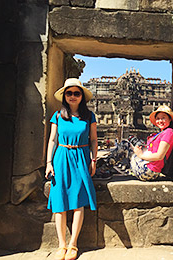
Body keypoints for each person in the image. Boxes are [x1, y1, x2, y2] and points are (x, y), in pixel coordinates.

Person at [45, 78, 97, 260]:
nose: (73, 96)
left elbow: (93, 140)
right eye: (69, 93)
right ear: (64, 96)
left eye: (77, 93)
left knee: (78, 201)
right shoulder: (57, 116)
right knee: (60, 203)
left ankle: (73, 244)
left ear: (82, 96)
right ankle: (62, 245)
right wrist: (49, 163)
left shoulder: (89, 116)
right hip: (61, 158)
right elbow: (52, 140)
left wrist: (94, 159)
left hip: (81, 158)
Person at [131, 105, 173, 181]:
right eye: (158, 118)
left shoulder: (168, 132)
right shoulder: (162, 133)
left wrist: (140, 155)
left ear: (170, 119)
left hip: (148, 171)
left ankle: (104, 169)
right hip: (148, 169)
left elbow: (159, 156)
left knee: (125, 145)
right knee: (131, 143)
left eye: (163, 118)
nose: (160, 121)